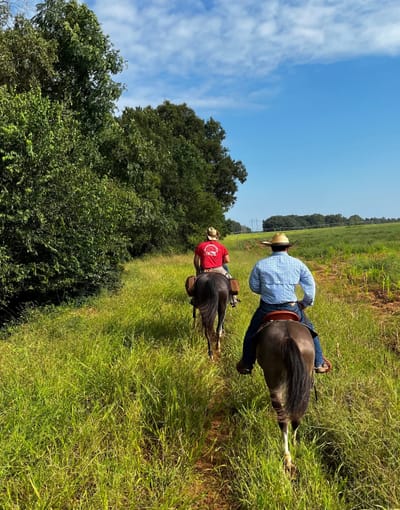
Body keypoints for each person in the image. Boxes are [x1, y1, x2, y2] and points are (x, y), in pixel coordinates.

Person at [236, 232, 329, 375]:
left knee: (251, 333)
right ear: (287, 248)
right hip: (291, 307)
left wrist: (267, 290)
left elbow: (254, 286)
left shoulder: (261, 264)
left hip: (267, 308)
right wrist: (305, 303)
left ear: (272, 248)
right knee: (312, 332)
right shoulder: (298, 264)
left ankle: (247, 364)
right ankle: (318, 363)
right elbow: (310, 288)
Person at [193, 226, 237, 306]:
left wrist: (198, 270)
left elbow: (196, 261)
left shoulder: (200, 246)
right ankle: (233, 299)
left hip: (205, 270)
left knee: (195, 284)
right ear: (216, 236)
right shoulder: (221, 246)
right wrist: (219, 262)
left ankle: (195, 299)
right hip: (219, 269)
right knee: (230, 279)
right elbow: (227, 260)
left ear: (207, 236)